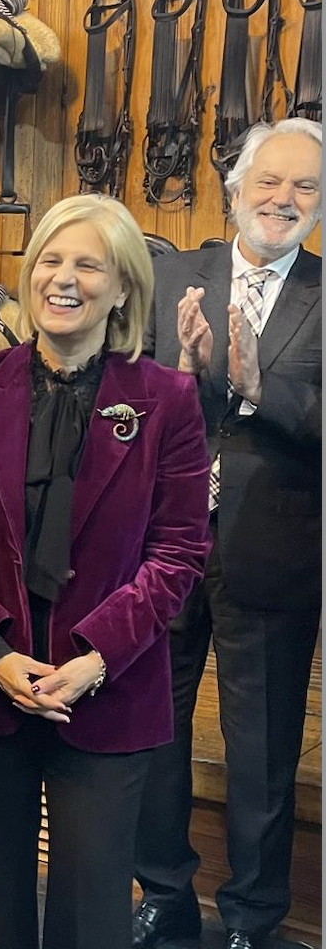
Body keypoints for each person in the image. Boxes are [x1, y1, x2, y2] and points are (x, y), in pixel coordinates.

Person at [0, 193, 211, 949]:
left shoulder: (168, 401)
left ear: (122, 289)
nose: (64, 277)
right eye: (51, 258)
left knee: (92, 914)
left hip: (108, 695)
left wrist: (93, 661)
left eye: (90, 264)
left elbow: (178, 551)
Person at [133, 118, 322, 949]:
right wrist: (176, 382)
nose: (283, 199)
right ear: (234, 189)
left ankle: (252, 919)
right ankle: (163, 895)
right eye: (269, 181)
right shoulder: (172, 273)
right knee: (153, 734)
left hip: (273, 556)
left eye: (306, 187)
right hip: (159, 549)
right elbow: (117, 402)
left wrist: (257, 389)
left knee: (262, 755)